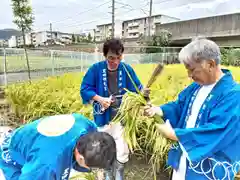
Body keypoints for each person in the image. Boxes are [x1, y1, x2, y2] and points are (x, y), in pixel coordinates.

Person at [144, 38, 240, 180]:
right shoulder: (195, 87)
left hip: (208, 170)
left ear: (210, 64)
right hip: (183, 160)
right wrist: (159, 110)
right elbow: (179, 106)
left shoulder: (233, 94)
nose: (189, 75)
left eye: (192, 69)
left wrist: (174, 134)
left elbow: (218, 129)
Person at [80, 38, 148, 180]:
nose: (115, 62)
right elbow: (85, 89)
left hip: (122, 120)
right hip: (103, 119)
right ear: (105, 56)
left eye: (119, 58)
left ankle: (119, 176)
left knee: (122, 151)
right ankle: (106, 176)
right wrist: (100, 99)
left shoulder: (126, 69)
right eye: (111, 58)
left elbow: (137, 87)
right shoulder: (96, 69)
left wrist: (143, 93)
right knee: (104, 152)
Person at [0, 113, 116, 180]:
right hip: (11, 157)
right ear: (80, 158)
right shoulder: (47, 164)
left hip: (32, 140)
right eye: (95, 168)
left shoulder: (85, 125)